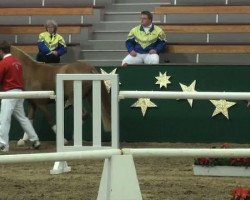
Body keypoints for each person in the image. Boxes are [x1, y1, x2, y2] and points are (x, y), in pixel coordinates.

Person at [0, 41, 41, 152]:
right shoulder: (17, 62)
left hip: (9, 93)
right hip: (19, 92)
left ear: (1, 51)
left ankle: (3, 144)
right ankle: (35, 139)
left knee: (4, 119)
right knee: (22, 118)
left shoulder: (3, 63)